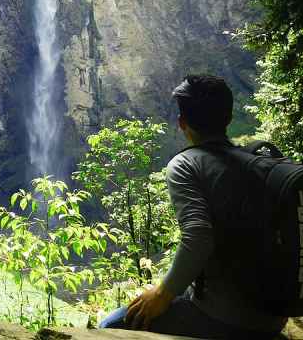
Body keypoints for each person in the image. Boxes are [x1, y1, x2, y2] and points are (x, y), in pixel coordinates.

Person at [98, 74, 287, 340]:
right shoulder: (258, 165)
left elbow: (198, 235)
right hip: (271, 316)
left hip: (223, 316)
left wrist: (163, 294)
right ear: (228, 119)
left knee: (111, 326)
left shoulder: (186, 164)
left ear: (182, 123)